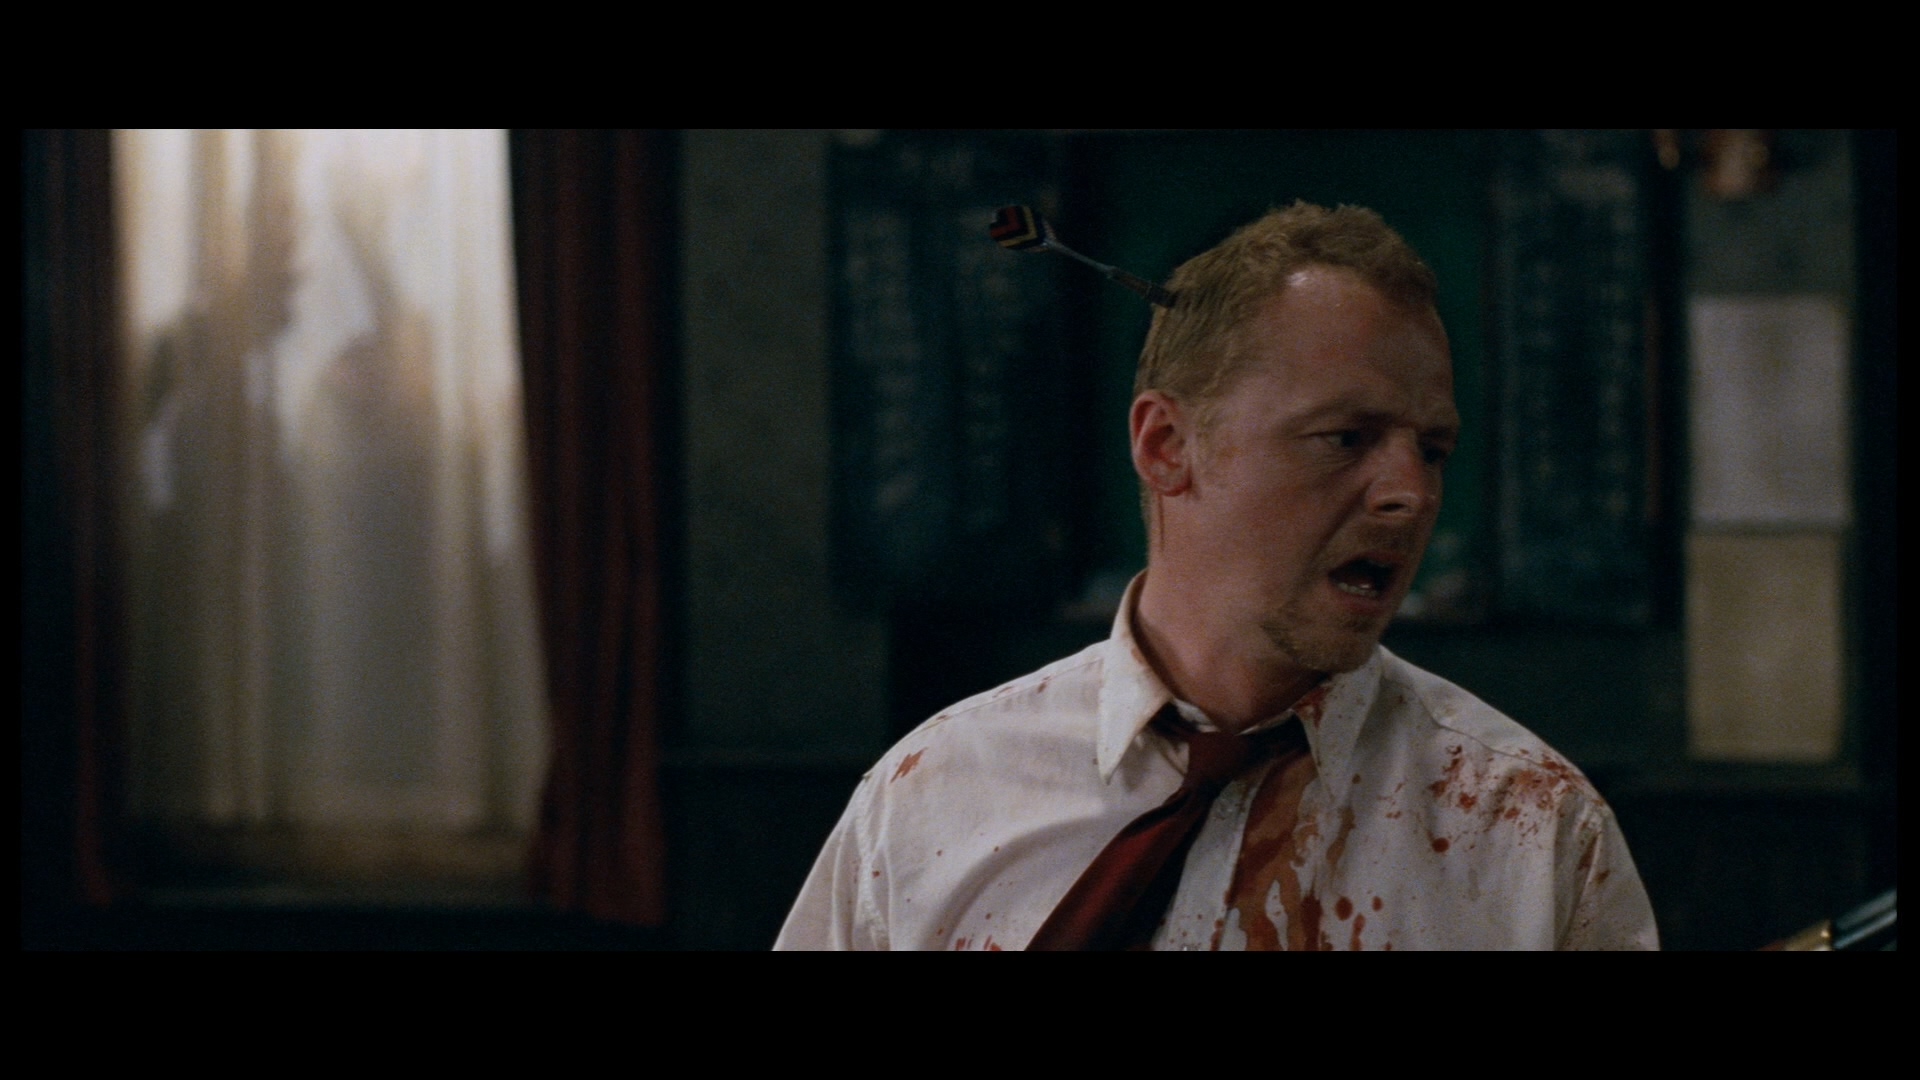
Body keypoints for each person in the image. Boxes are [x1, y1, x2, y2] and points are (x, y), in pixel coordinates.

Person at [774, 202, 1659, 950]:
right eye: (1346, 438)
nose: (1412, 495)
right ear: (1167, 445)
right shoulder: (932, 797)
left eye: (1433, 449)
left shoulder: (1527, 827)